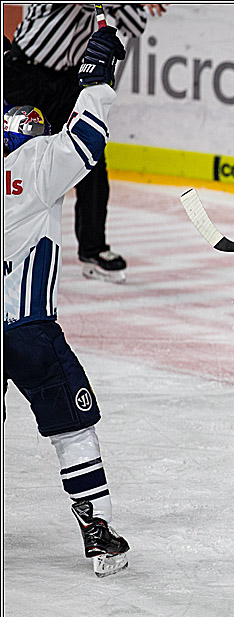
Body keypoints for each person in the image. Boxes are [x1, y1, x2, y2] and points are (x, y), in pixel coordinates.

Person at [4, 26, 130, 577]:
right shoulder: (38, 161)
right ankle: (97, 530)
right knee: (72, 426)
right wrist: (97, 73)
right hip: (28, 330)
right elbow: (88, 139)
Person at [3, 3, 166, 283]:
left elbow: (136, 25)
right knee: (12, 156)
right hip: (24, 73)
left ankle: (93, 251)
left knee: (90, 160)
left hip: (67, 81)